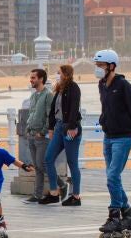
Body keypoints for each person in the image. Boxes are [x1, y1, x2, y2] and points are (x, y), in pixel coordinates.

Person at [93, 50, 131, 237]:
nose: (97, 69)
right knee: (113, 178)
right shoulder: (102, 84)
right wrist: (104, 121)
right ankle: (127, 216)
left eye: (100, 66)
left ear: (111, 66)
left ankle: (114, 216)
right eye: (96, 66)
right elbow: (106, 108)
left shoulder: (123, 85)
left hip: (123, 137)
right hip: (108, 136)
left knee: (112, 176)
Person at [40, 65, 83, 206]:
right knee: (48, 158)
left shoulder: (74, 88)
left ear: (66, 74)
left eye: (59, 73)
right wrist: (51, 128)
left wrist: (72, 126)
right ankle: (54, 193)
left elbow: (74, 108)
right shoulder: (59, 89)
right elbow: (53, 110)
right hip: (58, 128)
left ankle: (76, 196)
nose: (57, 75)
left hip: (69, 129)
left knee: (72, 162)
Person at [24, 69, 67, 204]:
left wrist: (42, 132)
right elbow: (32, 114)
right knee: (37, 166)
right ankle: (37, 195)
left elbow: (50, 115)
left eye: (33, 78)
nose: (31, 80)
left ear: (41, 79)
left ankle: (62, 184)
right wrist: (28, 129)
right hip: (31, 134)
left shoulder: (48, 95)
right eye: (30, 77)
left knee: (42, 165)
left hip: (41, 136)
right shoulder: (33, 96)